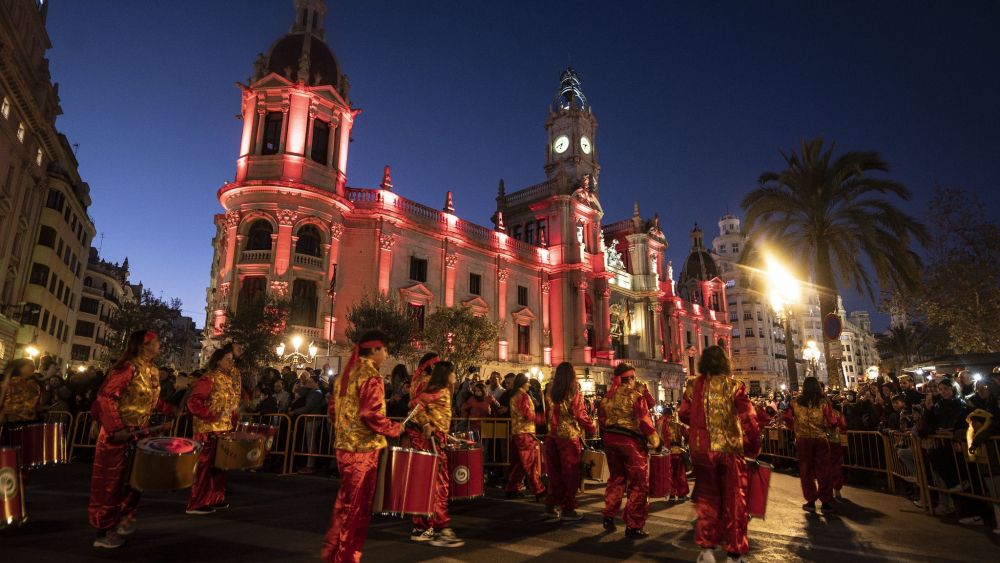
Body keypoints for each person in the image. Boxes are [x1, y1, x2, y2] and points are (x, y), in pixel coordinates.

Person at [323, 330, 402, 562]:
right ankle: (347, 558)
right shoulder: (371, 376)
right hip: (363, 451)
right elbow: (370, 414)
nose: (386, 355)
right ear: (376, 349)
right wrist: (395, 428)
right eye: (385, 349)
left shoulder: (345, 376)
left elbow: (332, 410)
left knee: (344, 505)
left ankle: (333, 552)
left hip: (343, 448)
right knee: (357, 510)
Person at [88, 330, 169, 548]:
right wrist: (116, 428)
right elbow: (106, 397)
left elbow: (148, 399)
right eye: (156, 342)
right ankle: (103, 531)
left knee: (135, 482)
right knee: (111, 485)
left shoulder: (151, 369)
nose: (159, 345)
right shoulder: (127, 368)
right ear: (144, 346)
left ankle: (123, 519)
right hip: (119, 435)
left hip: (139, 434)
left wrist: (169, 409)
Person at [679, 345, 759, 563]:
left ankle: (706, 550)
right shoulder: (734, 386)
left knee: (707, 500)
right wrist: (753, 448)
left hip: (702, 451)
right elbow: (749, 420)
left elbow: (683, 414)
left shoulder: (693, 386)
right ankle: (734, 553)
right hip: (730, 450)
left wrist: (698, 427)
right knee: (735, 502)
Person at [598, 363, 660, 538]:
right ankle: (633, 525)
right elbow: (644, 421)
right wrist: (656, 441)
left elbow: (602, 420)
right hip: (630, 442)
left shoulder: (608, 396)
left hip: (610, 440)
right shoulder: (636, 396)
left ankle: (609, 514)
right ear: (631, 378)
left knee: (616, 478)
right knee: (638, 484)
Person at [408, 360, 465, 548]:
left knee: (427, 485)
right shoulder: (440, 391)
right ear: (446, 374)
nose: (455, 376)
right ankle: (442, 529)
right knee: (439, 486)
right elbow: (415, 406)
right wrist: (426, 424)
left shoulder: (438, 391)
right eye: (453, 372)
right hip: (433, 444)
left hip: (436, 441)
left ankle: (422, 527)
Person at [185, 347, 241, 515]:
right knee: (204, 467)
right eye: (228, 360)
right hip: (207, 429)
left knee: (220, 466)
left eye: (232, 360)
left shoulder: (228, 380)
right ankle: (197, 502)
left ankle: (216, 498)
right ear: (218, 361)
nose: (231, 363)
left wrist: (231, 420)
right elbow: (194, 402)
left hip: (223, 429)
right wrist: (210, 416)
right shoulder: (209, 378)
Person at [542, 362, 596, 521]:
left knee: (554, 473)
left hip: (552, 436)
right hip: (568, 437)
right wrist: (591, 426)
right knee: (570, 473)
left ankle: (551, 504)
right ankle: (568, 508)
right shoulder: (573, 391)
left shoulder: (550, 390)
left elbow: (547, 414)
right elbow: (579, 414)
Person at [783, 376, 837, 513]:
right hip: (820, 438)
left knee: (806, 470)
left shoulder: (796, 402)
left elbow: (787, 418)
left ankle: (811, 501)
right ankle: (826, 501)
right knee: (824, 469)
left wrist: (795, 428)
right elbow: (832, 421)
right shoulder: (824, 402)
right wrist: (827, 429)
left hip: (803, 439)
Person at [505, 373, 546, 500]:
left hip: (517, 432)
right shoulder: (522, 396)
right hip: (525, 434)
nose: (529, 384)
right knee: (530, 463)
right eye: (528, 382)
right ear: (523, 383)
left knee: (518, 464)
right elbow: (527, 415)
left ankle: (512, 488)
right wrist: (541, 419)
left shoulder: (515, 395)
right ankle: (539, 489)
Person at [656, 407, 690, 501]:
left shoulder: (659, 424)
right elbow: (687, 435)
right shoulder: (677, 424)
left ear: (663, 414)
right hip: (678, 452)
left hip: (666, 453)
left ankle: (671, 494)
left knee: (669, 474)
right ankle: (681, 495)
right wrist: (685, 444)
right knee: (680, 474)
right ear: (671, 414)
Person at [0, 358, 42, 429]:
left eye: (33, 366)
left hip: (24, 422)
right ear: (20, 367)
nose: (33, 368)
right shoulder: (10, 383)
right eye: (30, 366)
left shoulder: (32, 384)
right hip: (11, 421)